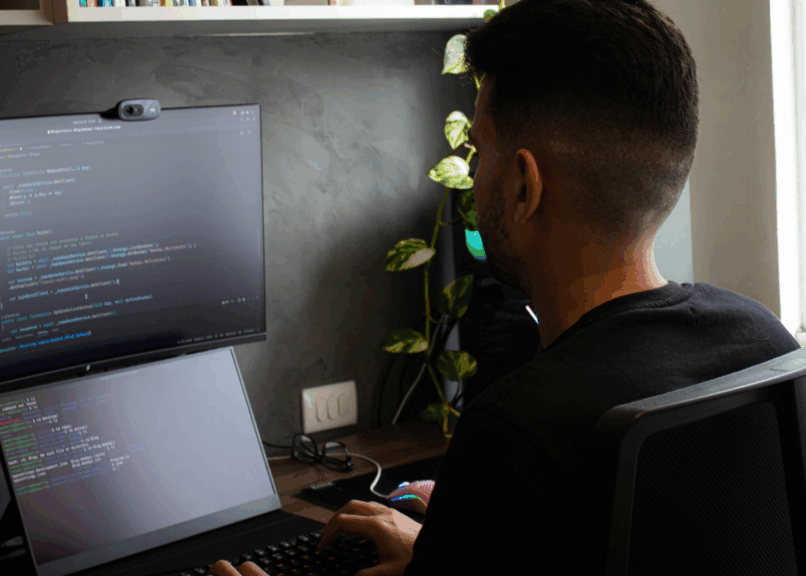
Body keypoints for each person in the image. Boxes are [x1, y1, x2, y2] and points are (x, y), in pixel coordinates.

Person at [209, 0, 801, 574]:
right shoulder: (763, 342)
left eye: (479, 150)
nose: (473, 171)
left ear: (523, 186)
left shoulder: (515, 429)